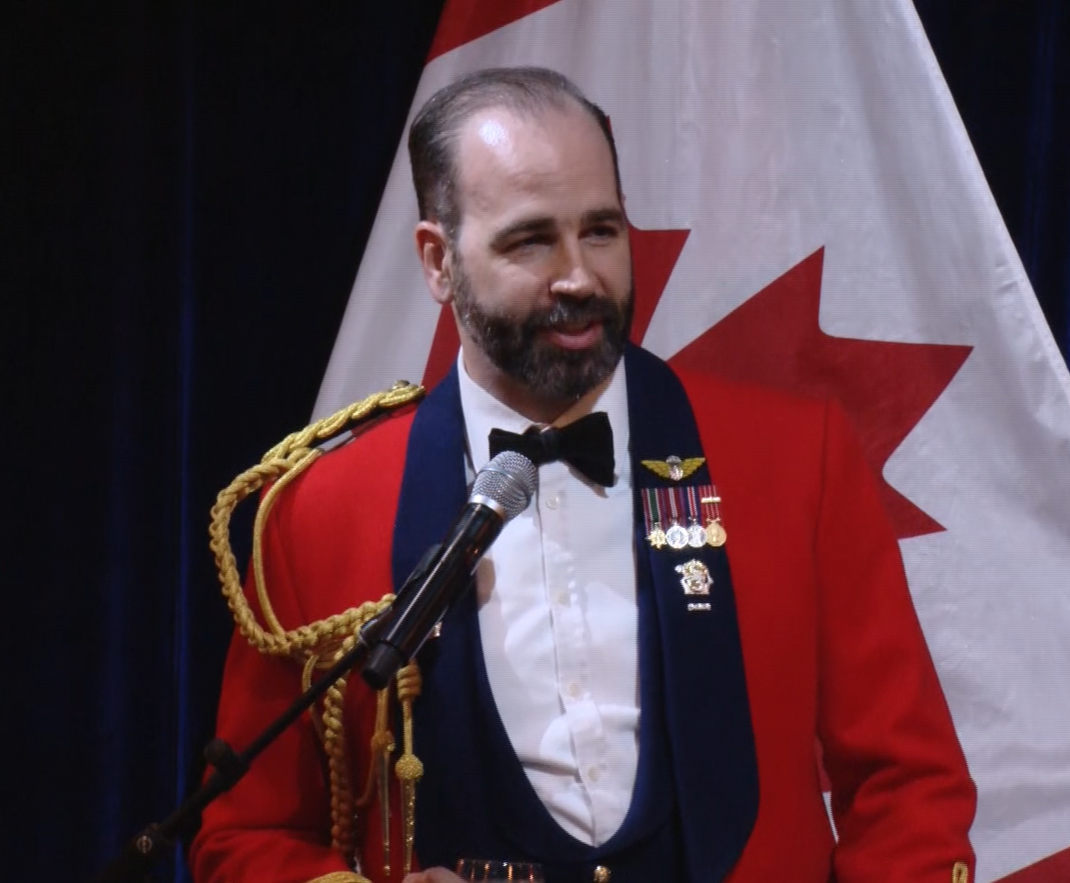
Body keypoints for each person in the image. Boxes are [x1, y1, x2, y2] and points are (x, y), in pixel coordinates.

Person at [190, 67, 976, 883]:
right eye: (531, 241)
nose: (579, 276)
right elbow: (247, 834)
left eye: (601, 231)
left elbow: (909, 785)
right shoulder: (317, 513)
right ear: (438, 260)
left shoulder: (796, 459)